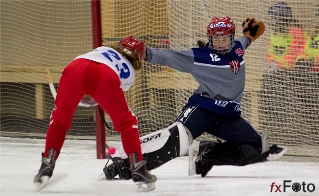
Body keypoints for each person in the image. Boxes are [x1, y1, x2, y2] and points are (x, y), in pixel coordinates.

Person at [102, 16, 286, 180]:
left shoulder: (237, 47)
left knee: (258, 149)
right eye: (216, 37)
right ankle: (124, 160)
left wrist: (250, 36)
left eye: (225, 38)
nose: (221, 42)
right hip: (203, 109)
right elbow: (169, 57)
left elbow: (246, 40)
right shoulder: (199, 56)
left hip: (228, 116)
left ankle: (206, 155)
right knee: (174, 142)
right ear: (210, 37)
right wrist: (144, 51)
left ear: (232, 37)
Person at [33, 36, 157, 192]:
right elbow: (101, 97)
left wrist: (75, 98)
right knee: (127, 122)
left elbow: (86, 82)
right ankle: (138, 170)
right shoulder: (129, 72)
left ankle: (46, 165)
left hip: (74, 68)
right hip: (105, 75)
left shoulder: (103, 49)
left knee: (59, 119)